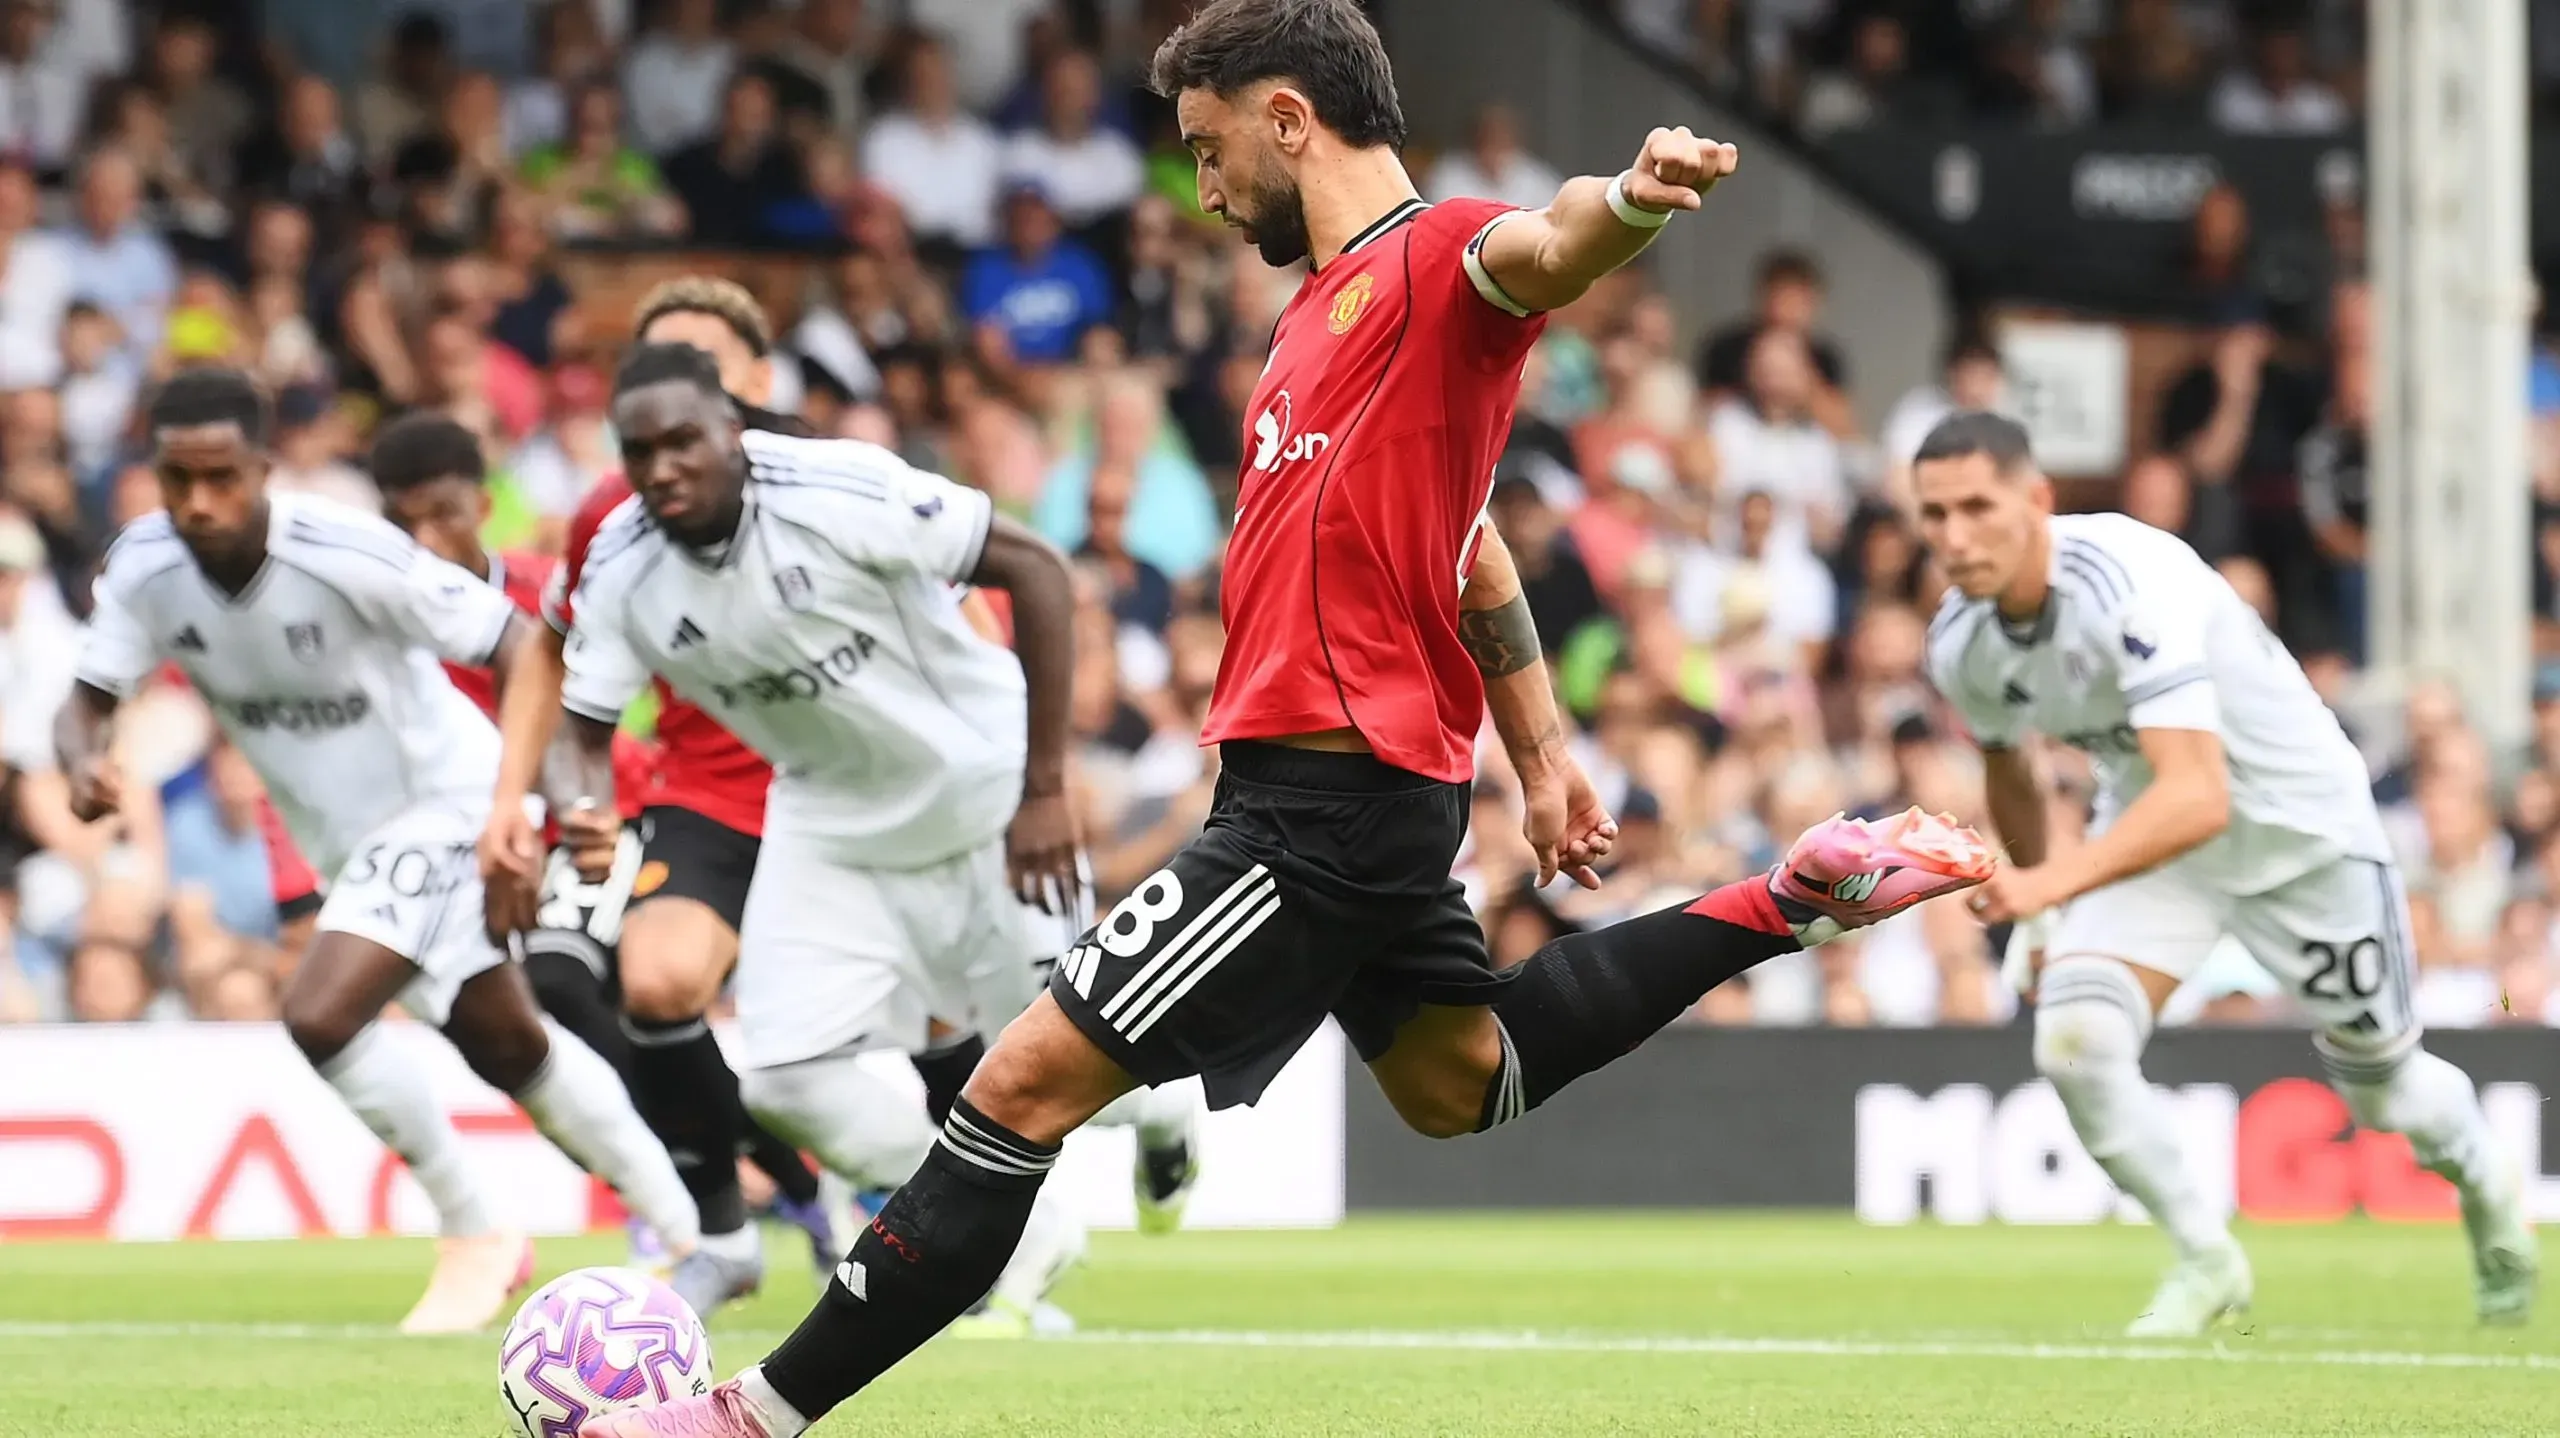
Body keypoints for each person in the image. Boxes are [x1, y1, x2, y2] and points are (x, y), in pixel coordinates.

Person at [580, 3, 1991, 1433]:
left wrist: (1627, 202)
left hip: (1319, 810)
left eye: (1209, 150)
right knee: (1461, 1080)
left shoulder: (1436, 262)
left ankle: (741, 1417)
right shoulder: (1310, 320)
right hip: (1358, 793)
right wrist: (1547, 757)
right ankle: (1789, 897)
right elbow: (1472, 547)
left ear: (1290, 120)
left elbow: (1547, 242)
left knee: (1017, 1083)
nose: (1203, 189)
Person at [60, 368, 705, 1335]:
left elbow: (523, 641)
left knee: (317, 1013)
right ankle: (694, 1234)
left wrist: (520, 805)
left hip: (444, 805)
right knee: (512, 1046)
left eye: (222, 477)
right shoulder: (146, 573)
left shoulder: (344, 549)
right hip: (345, 846)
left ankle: (478, 1228)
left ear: (264, 469)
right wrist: (84, 762)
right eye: (176, 478)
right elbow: (85, 702)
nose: (199, 501)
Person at [1914, 410, 2538, 1335]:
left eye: (1977, 506)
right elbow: (2010, 765)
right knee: (2076, 1040)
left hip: (2303, 837)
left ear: (2038, 501)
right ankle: (2207, 1261)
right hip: (2158, 842)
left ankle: (2487, 1184)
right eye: (1933, 515)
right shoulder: (1960, 643)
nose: (1955, 537)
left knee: (2383, 1093)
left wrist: (2053, 885)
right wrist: (2041, 916)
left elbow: (2201, 794)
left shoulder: (2132, 579)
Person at [541, 342, 1096, 1337]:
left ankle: (1166, 1116)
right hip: (826, 816)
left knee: (1070, 1051)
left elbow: (1037, 570)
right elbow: (580, 734)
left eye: (684, 442)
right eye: (639, 451)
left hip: (982, 787)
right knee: (787, 1081)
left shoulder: (837, 488)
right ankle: (1017, 1220)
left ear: (733, 434)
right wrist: (582, 807)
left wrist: (1045, 786)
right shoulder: (624, 567)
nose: (663, 468)